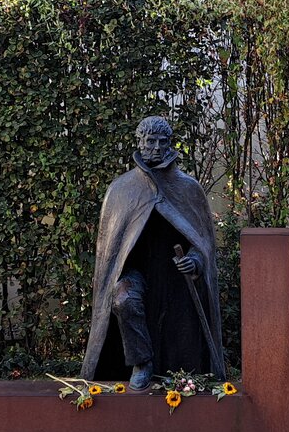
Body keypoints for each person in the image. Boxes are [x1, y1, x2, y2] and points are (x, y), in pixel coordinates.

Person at [81, 116, 226, 390]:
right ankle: (142, 362)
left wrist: (195, 261)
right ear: (140, 142)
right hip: (135, 273)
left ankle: (181, 375)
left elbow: (203, 242)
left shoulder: (187, 188)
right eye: (150, 141)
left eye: (162, 142)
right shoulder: (122, 189)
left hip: (175, 276)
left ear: (170, 144)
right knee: (123, 300)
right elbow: (110, 253)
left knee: (180, 329)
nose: (156, 148)